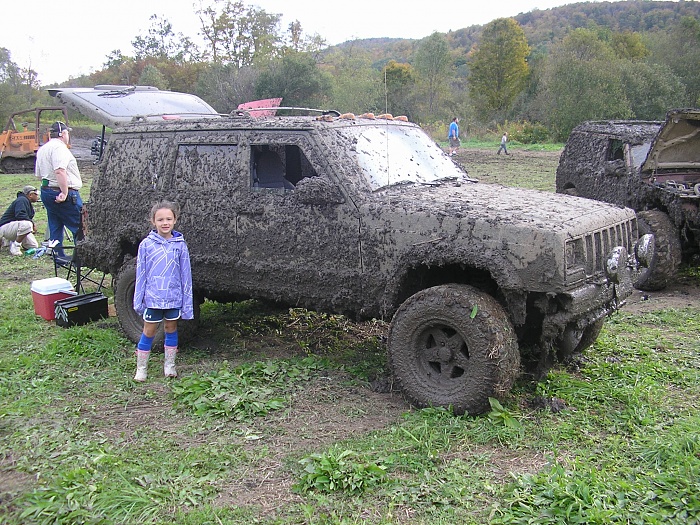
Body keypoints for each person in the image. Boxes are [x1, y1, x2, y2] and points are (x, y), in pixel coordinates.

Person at [132, 201, 193, 382]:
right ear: (153, 221)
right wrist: (139, 300)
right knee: (149, 331)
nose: (165, 223)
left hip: (173, 298)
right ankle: (141, 368)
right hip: (153, 299)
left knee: (171, 328)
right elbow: (141, 274)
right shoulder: (146, 245)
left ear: (175, 220)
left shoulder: (180, 245)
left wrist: (186, 303)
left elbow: (185, 275)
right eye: (160, 219)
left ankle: (170, 366)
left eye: (169, 219)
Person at [35, 121, 83, 258]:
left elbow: (39, 175)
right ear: (62, 134)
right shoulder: (59, 148)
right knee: (79, 226)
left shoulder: (43, 149)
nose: (68, 135)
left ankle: (58, 257)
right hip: (61, 192)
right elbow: (60, 170)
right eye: (67, 132)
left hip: (47, 190)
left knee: (55, 225)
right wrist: (64, 192)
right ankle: (79, 259)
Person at [0, 185, 40, 255]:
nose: (38, 196)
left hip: (14, 227)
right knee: (27, 224)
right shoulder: (22, 200)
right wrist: (33, 224)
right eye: (36, 194)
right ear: (30, 195)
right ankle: (15, 246)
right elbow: (20, 215)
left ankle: (12, 241)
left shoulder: (25, 201)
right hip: (6, 227)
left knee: (33, 246)